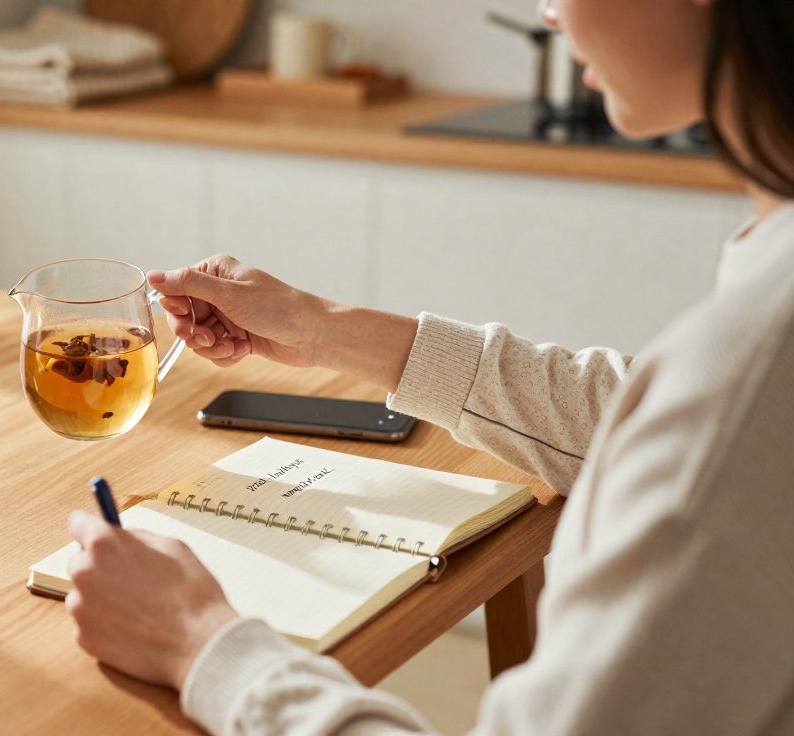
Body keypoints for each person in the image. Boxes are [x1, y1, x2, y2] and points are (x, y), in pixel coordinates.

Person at [62, 0, 794, 733]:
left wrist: (200, 644)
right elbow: (633, 412)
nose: (548, 13)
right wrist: (325, 331)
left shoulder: (751, 366)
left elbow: (703, 426)